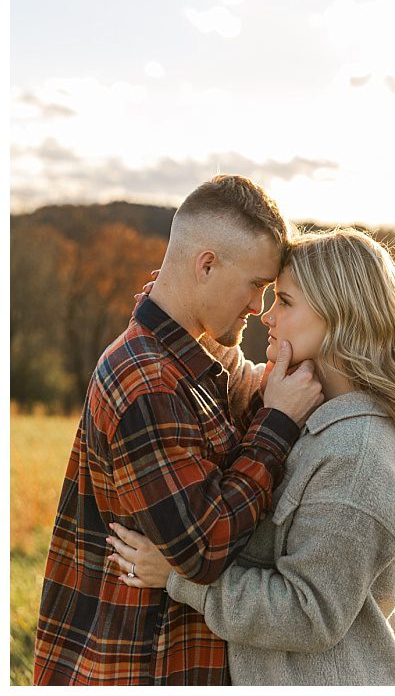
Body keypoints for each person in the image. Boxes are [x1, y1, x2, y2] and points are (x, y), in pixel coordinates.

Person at [104, 228, 395, 686]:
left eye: (284, 301)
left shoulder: (357, 454)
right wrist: (171, 300)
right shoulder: (307, 412)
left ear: (338, 315)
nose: (266, 316)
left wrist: (177, 577)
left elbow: (309, 614)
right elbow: (219, 367)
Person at [34, 175, 325, 686]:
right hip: (138, 664)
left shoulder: (201, 352)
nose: (259, 309)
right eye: (257, 285)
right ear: (206, 264)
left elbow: (241, 394)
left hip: (180, 657)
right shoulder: (145, 380)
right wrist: (278, 424)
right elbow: (201, 549)